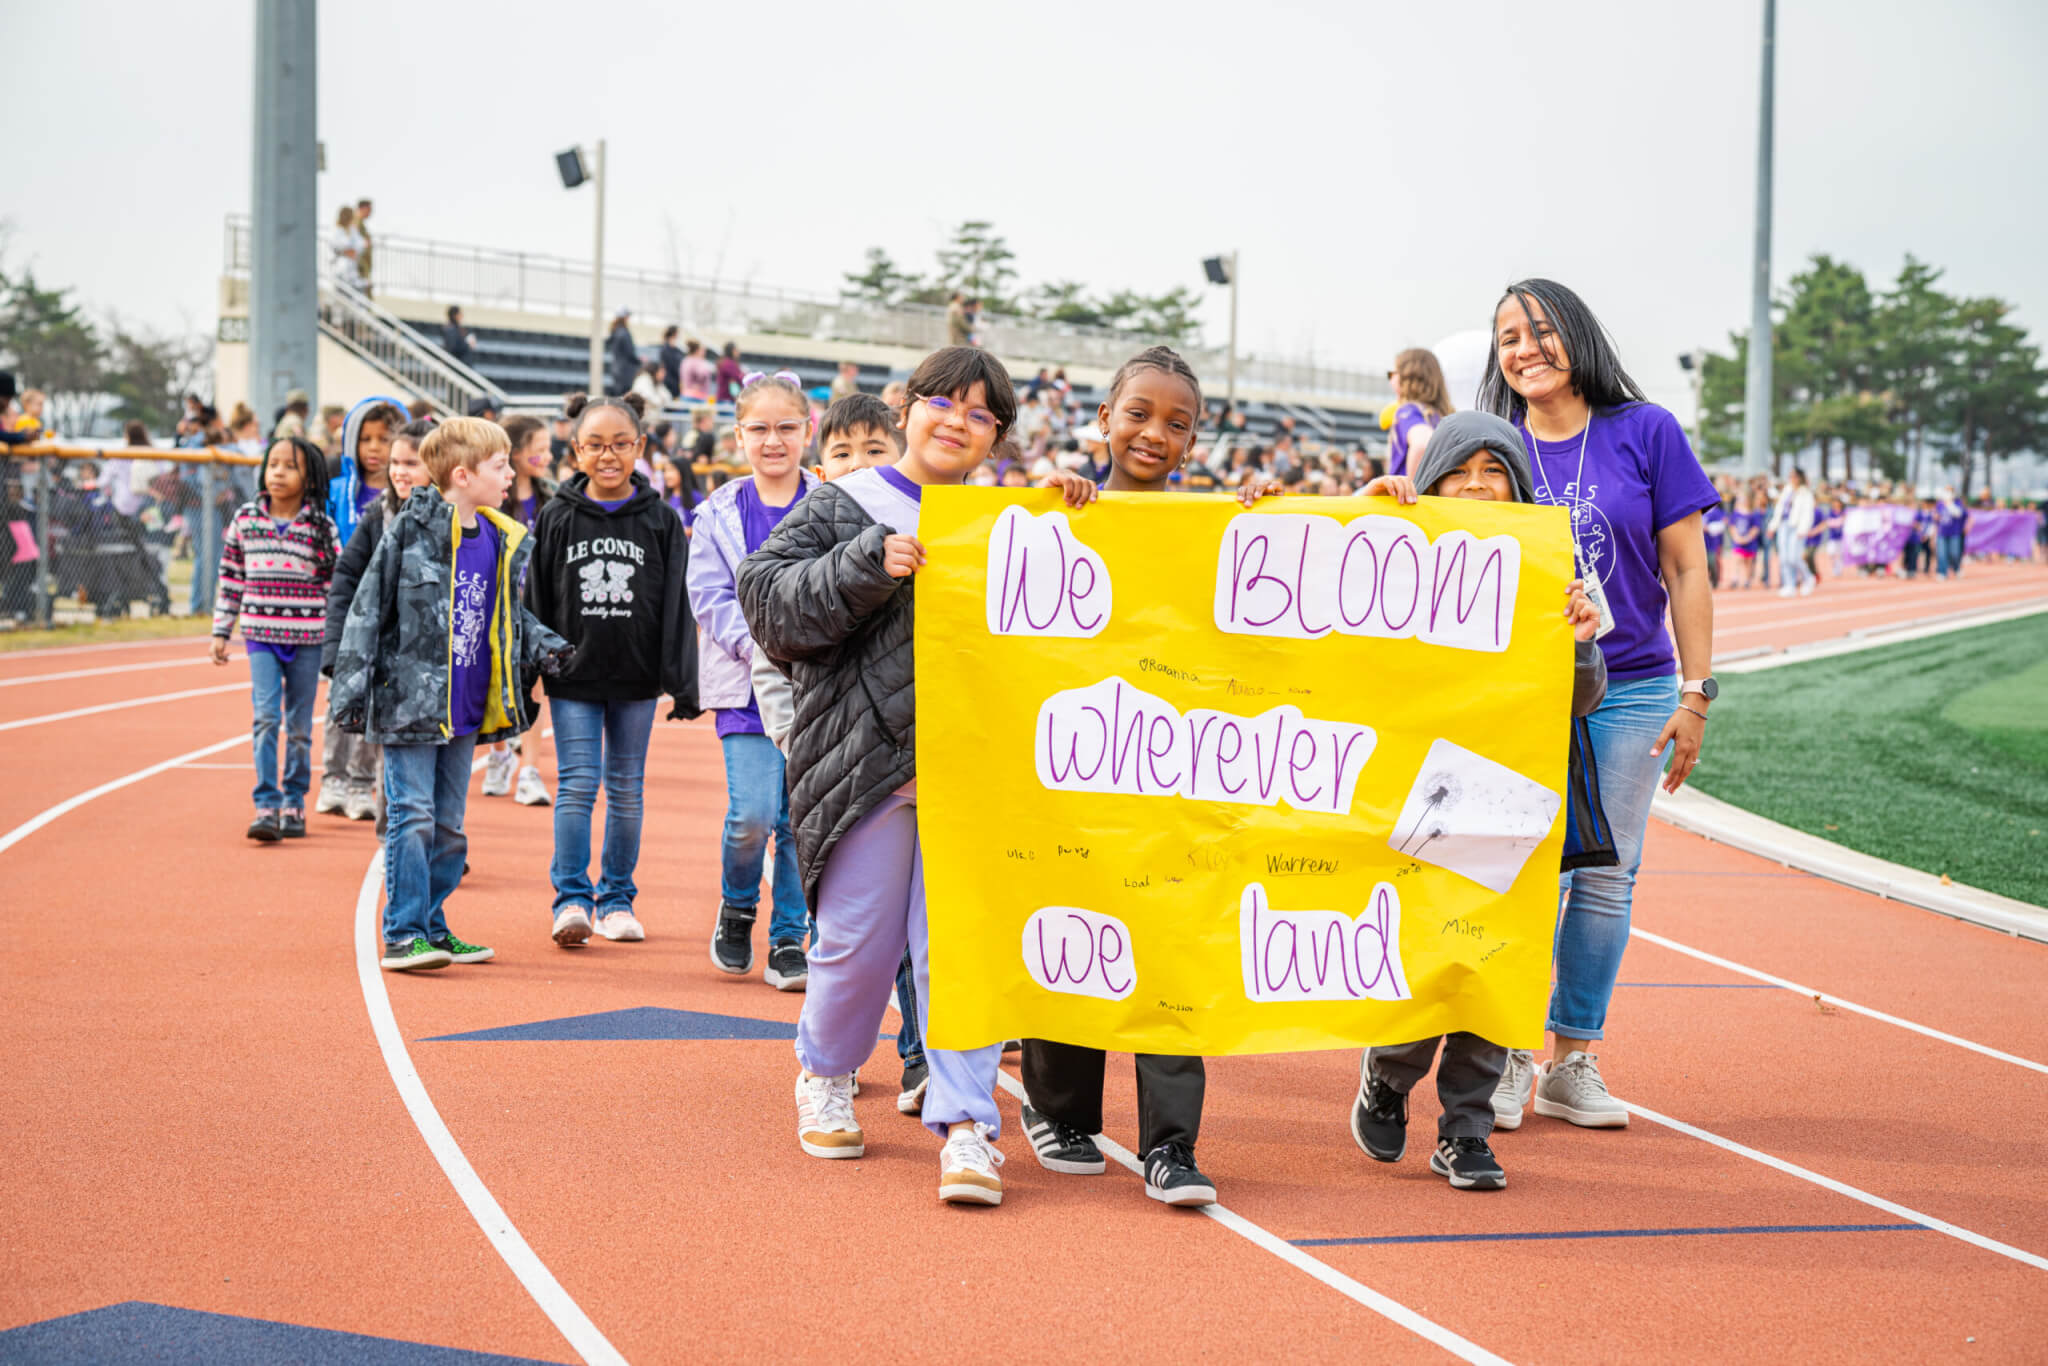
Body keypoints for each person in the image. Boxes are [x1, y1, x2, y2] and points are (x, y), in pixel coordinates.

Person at [738, 346, 1090, 1205]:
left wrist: (1086, 505)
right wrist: (865, 567)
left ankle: (969, 1125)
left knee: (962, 956)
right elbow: (768, 603)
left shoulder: (1013, 517)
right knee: (857, 946)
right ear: (910, 407)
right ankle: (824, 1070)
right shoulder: (843, 501)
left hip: (977, 778)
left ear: (997, 435)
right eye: (943, 403)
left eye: (980, 414)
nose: (956, 422)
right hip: (865, 768)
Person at [1016, 347, 1281, 1209]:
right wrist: (1048, 506)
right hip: (1077, 776)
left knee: (1172, 949)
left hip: (1180, 782)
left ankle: (1172, 1143)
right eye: (1138, 413)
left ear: (1198, 440)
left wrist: (1270, 526)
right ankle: (1059, 1108)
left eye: (1178, 424)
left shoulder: (1218, 529)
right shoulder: (1059, 514)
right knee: (1076, 937)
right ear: (1102, 419)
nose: (1154, 434)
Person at [1478, 279, 1717, 1132]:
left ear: (1576, 336)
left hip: (1635, 687)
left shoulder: (1645, 431)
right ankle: (1504, 1053)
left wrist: (1696, 692)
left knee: (1606, 879)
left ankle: (1573, 1060)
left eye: (1540, 330)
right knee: (1516, 873)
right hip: (1520, 692)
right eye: (1508, 336)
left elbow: (1687, 568)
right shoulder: (1491, 447)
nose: (1525, 348)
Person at [1351, 412, 1609, 1191]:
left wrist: (1581, 641)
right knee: (1426, 957)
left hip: (1510, 803)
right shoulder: (1403, 556)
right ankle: (1388, 1076)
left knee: (1492, 964)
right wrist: (1366, 512)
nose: (1475, 486)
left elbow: (1586, 698)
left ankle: (1465, 1130)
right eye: (1459, 472)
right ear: (1433, 484)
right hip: (1418, 795)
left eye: (1493, 472)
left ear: (1517, 485)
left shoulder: (1555, 569)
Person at [331, 417, 570, 972]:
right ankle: (403, 931)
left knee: (448, 825)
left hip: (466, 707)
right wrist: (349, 686)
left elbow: (505, 616)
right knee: (411, 816)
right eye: (499, 466)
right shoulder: (408, 532)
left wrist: (548, 646)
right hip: (410, 704)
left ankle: (435, 924)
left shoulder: (500, 537)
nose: (511, 474)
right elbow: (367, 608)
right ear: (462, 475)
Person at [528, 393, 700, 948]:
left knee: (626, 789)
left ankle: (618, 900)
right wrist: (534, 665)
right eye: (595, 445)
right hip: (573, 676)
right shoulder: (557, 515)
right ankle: (572, 900)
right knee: (577, 785)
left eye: (620, 444)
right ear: (575, 450)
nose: (608, 455)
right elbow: (537, 601)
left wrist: (681, 678)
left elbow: (677, 602)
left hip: (635, 678)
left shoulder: (660, 520)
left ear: (640, 448)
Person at [686, 371, 819, 988]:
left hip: (817, 687)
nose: (774, 440)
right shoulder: (717, 512)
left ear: (808, 431)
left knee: (799, 818)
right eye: (760, 429)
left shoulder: (829, 501)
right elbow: (708, 595)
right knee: (752, 814)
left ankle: (790, 937)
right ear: (739, 435)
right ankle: (738, 906)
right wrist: (758, 645)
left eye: (786, 428)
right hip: (744, 685)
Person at [209, 436, 338, 842]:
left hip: (307, 638)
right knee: (266, 717)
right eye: (273, 464)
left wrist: (338, 639)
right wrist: (221, 630)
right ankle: (266, 803)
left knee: (299, 726)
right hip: (260, 635)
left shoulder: (321, 527)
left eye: (290, 466)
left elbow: (335, 586)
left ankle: (294, 800)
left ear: (310, 477)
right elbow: (230, 578)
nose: (278, 472)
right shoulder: (245, 520)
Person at [320, 419, 434, 833]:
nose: (400, 471)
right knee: (394, 751)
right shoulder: (377, 517)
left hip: (434, 662)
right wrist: (336, 653)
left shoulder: (456, 518)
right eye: (395, 463)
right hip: (383, 656)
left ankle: (435, 834)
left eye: (411, 463)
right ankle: (393, 836)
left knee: (430, 757)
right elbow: (345, 583)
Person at [318, 397, 407, 821]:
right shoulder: (338, 493)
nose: (374, 448)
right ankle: (332, 777)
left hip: (388, 617)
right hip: (349, 611)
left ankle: (361, 780)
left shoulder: (406, 495)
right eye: (366, 439)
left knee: (378, 704)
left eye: (384, 439)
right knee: (342, 698)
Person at [481, 415, 560, 807]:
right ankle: (498, 755)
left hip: (537, 608)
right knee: (491, 684)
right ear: (515, 452)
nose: (546, 456)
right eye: (538, 449)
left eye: (549, 448)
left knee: (532, 689)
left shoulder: (553, 498)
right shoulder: (494, 495)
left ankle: (529, 770)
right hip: (494, 605)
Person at [1386, 347, 1454, 478]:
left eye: (1392, 374)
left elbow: (1422, 445)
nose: (1390, 380)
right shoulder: (1443, 416)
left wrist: (1413, 492)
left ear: (1407, 377)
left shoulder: (1408, 411)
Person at [1768, 467, 1816, 597]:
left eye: (1794, 476)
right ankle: (1789, 584)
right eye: (1790, 476)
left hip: (1796, 527)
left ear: (1800, 477)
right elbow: (1779, 509)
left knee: (1793, 557)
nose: (1792, 479)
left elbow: (1807, 513)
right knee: (1783, 558)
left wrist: (1803, 529)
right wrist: (1772, 526)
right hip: (1783, 526)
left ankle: (1808, 578)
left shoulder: (1805, 493)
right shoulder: (1787, 490)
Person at [1935, 486, 1966, 579]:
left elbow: (1959, 514)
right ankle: (1942, 572)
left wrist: (1949, 504)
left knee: (1954, 553)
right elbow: (1936, 516)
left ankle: (1956, 568)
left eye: (1949, 491)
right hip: (1942, 532)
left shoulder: (1957, 503)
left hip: (1954, 532)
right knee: (1941, 553)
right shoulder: (1940, 504)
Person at [605, 312, 639, 397]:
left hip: (617, 370)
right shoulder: (624, 333)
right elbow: (630, 353)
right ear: (625, 318)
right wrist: (639, 362)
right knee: (624, 399)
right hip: (625, 372)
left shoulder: (615, 331)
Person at [330, 205, 361, 284]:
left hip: (350, 269)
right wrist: (347, 251)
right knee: (342, 289)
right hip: (340, 268)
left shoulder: (352, 230)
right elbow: (338, 246)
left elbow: (359, 245)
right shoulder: (337, 231)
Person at [658, 326, 686, 398]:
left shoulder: (675, 348)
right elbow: (671, 365)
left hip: (676, 380)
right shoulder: (666, 348)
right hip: (670, 381)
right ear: (675, 333)